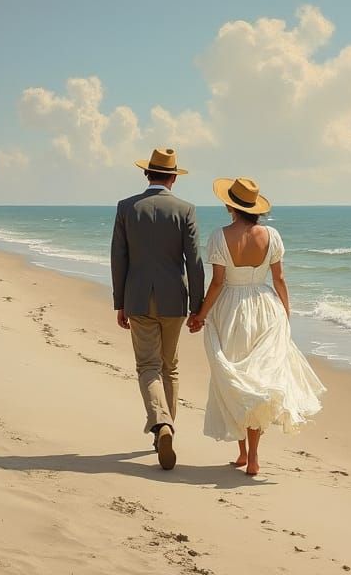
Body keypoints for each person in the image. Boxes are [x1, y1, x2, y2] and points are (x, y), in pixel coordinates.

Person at [188, 177, 326, 476]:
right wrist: (285, 312)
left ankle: (241, 453)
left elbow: (217, 282)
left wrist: (199, 314)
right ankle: (253, 457)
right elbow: (279, 279)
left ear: (230, 206)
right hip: (265, 307)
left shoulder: (219, 236)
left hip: (230, 309)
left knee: (235, 380)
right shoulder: (272, 236)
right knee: (258, 379)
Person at [111, 148, 204, 471]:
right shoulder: (185, 210)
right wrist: (198, 306)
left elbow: (118, 257)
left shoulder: (126, 208)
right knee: (170, 366)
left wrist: (119, 302)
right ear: (174, 177)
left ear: (146, 174)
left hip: (137, 297)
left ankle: (161, 425)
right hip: (173, 300)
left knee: (148, 366)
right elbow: (194, 261)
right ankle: (166, 430)